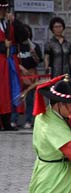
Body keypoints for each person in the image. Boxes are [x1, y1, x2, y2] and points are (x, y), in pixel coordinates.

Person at [11, 24, 43, 129]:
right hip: (19, 75)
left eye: (28, 31)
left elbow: (38, 61)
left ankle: (28, 120)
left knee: (30, 99)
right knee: (17, 97)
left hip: (31, 75)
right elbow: (13, 59)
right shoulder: (16, 46)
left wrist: (34, 54)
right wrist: (21, 68)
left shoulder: (34, 46)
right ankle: (13, 119)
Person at [0, 0, 22, 131]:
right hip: (1, 60)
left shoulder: (8, 23)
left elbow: (23, 36)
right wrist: (2, 46)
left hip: (8, 62)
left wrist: (15, 21)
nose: (3, 12)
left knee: (8, 91)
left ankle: (7, 122)